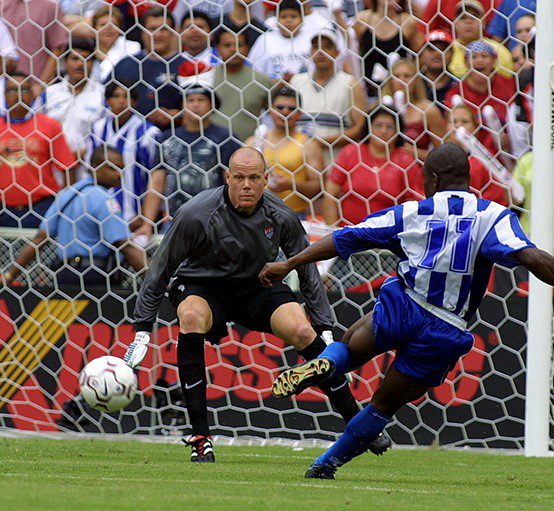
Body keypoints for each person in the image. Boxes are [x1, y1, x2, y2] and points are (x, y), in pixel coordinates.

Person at [258, 142, 554, 479]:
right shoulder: (493, 215)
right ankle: (325, 464)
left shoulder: (411, 213)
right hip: (446, 326)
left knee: (354, 342)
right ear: (467, 178)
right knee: (383, 405)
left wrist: (290, 262)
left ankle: (330, 361)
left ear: (434, 179)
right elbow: (530, 257)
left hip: (406, 304)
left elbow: (347, 237)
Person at [123, 147, 391, 462]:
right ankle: (201, 438)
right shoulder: (196, 212)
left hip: (257, 285)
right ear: (227, 178)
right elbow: (160, 270)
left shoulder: (282, 216)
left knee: (302, 330)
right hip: (203, 286)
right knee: (191, 316)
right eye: (239, 177)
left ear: (266, 180)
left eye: (253, 178)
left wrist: (325, 328)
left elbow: (307, 272)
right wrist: (142, 328)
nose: (246, 185)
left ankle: (358, 425)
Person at [0, 146, 146, 286]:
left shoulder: (66, 195)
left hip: (64, 275)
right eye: (112, 168)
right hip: (95, 276)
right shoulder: (103, 198)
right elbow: (124, 246)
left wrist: (10, 275)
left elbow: (40, 239)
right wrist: (156, 281)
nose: (118, 174)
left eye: (121, 169)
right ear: (94, 167)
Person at [0, 73, 76, 232]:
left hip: (43, 208)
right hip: (5, 211)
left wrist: (68, 208)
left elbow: (68, 167)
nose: (18, 95)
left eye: (24, 90)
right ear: (4, 95)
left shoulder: (49, 126)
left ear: (32, 94)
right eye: (12, 90)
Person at [141, 84, 241, 233]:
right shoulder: (167, 138)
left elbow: (233, 181)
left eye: (201, 100)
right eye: (190, 100)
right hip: (175, 219)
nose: (196, 104)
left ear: (212, 104)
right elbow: (157, 182)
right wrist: (147, 225)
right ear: (182, 105)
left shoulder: (225, 138)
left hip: (216, 220)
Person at [324, 105, 424, 227]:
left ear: (398, 131)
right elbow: (330, 194)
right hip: (348, 233)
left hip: (387, 236)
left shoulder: (406, 161)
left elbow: (414, 203)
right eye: (378, 125)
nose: (383, 131)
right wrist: (333, 232)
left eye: (390, 127)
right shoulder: (350, 152)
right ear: (368, 127)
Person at [88, 79, 161, 230]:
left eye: (126, 96)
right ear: (107, 100)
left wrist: (144, 216)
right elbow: (90, 170)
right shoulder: (97, 129)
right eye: (116, 96)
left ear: (134, 101)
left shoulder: (148, 133)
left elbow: (155, 177)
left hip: (135, 217)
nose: (121, 101)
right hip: (100, 213)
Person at [290, 29, 367, 163]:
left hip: (335, 163)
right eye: (316, 47)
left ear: (337, 53)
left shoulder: (350, 83)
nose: (321, 52)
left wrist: (319, 143)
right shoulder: (296, 81)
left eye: (327, 47)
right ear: (310, 52)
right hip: (299, 163)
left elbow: (360, 128)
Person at [247, 87, 323, 216]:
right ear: (270, 111)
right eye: (280, 107)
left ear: (300, 113)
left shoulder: (308, 144)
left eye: (292, 109)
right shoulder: (254, 142)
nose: (285, 112)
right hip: (255, 213)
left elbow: (318, 187)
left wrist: (291, 185)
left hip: (293, 215)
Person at [110, 7, 185, 131]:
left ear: (173, 32)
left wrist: (176, 115)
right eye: (152, 29)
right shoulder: (125, 64)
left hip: (173, 138)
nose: (158, 34)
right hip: (129, 139)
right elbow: (105, 99)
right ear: (142, 32)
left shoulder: (186, 66)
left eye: (164, 29)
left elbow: (202, 106)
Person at [248, 0, 344, 81]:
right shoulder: (265, 40)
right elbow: (255, 69)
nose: (288, 20)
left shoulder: (312, 39)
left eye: (293, 16)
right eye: (283, 17)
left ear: (302, 20)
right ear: (276, 21)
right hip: (274, 93)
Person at [43, 37, 105, 159]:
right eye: (75, 58)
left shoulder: (101, 94)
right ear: (65, 62)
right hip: (52, 163)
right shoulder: (49, 93)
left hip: (87, 166)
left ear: (93, 64)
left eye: (86, 59)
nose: (80, 64)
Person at [0, 0, 69, 84]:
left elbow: (57, 49)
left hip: (33, 84)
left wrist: (41, 84)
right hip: (1, 84)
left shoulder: (49, 6)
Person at [210, 23, 271, 143]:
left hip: (248, 149)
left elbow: (273, 115)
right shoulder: (208, 78)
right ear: (217, 49)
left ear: (247, 49)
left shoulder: (261, 80)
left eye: (239, 45)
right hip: (211, 149)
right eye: (227, 45)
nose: (233, 49)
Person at [381, 58, 446, 161]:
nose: (401, 80)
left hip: (418, 169)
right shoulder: (380, 108)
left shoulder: (428, 110)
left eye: (407, 76)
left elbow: (443, 154)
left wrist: (413, 151)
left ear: (416, 80)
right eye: (396, 76)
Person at [353, 0, 417, 99]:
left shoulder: (409, 22)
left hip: (399, 93)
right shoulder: (361, 19)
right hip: (368, 91)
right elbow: (353, 54)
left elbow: (417, 58)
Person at [448, 0, 513, 79]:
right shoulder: (447, 49)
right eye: (463, 17)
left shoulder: (500, 51)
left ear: (483, 23)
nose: (468, 21)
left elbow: (506, 84)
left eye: (474, 17)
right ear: (455, 23)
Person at [90, 5, 142, 82]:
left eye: (113, 25)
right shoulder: (87, 52)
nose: (108, 28)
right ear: (94, 29)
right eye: (103, 25)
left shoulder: (132, 48)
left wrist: (105, 59)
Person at [419, 30, 458, 107]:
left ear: (452, 54)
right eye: (431, 49)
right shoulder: (414, 83)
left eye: (443, 49)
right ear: (421, 54)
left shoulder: (459, 86)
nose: (437, 53)